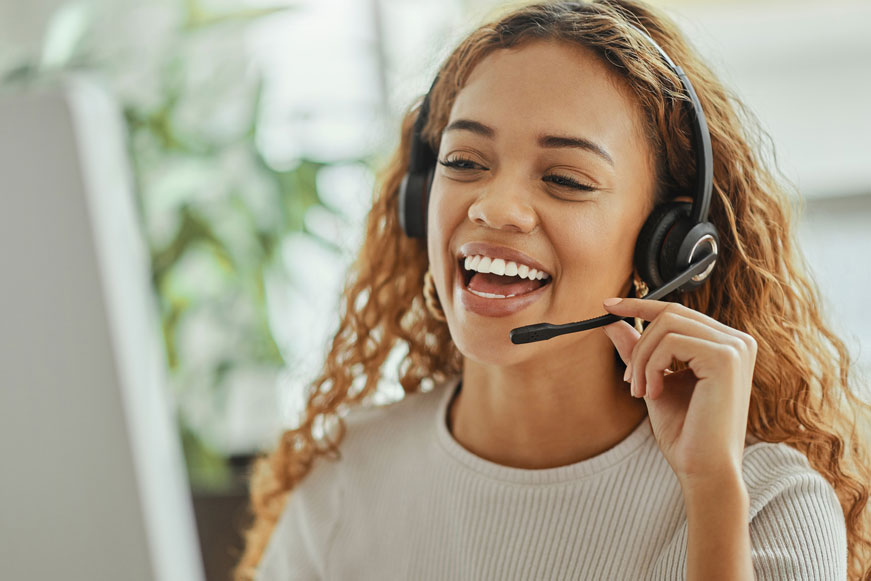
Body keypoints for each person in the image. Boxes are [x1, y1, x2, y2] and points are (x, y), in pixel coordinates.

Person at [235, 1, 871, 579]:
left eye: (566, 178)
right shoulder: (346, 478)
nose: (497, 206)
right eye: (464, 162)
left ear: (669, 241)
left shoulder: (766, 504)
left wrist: (709, 492)